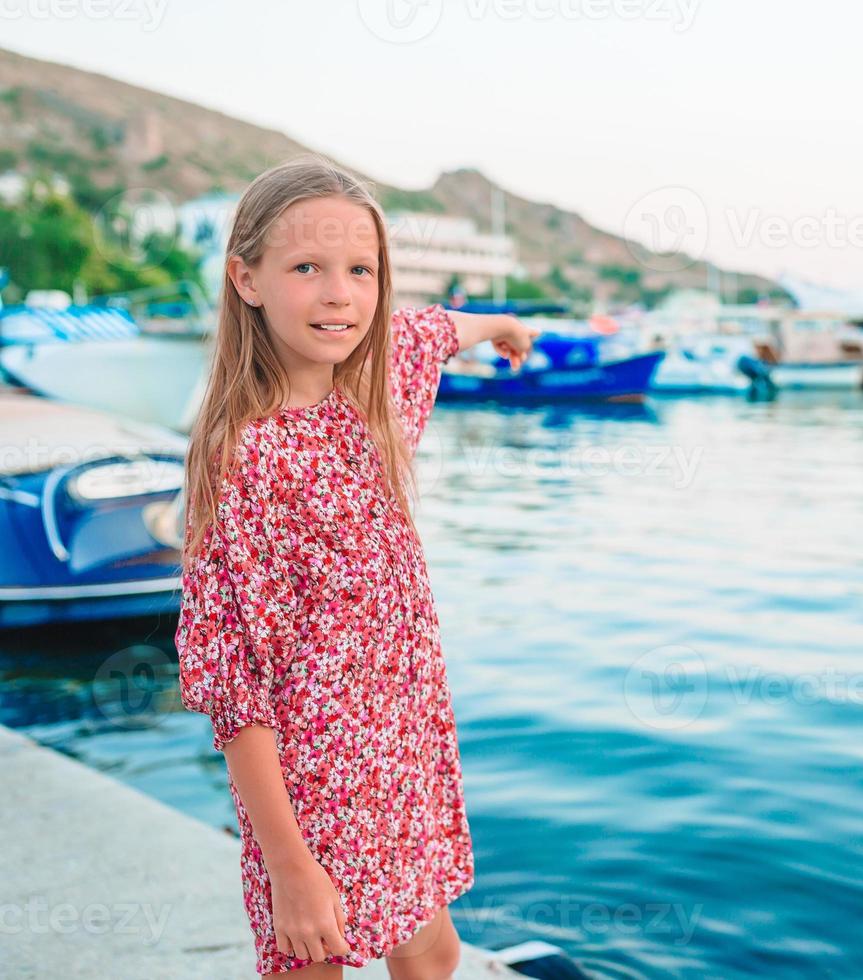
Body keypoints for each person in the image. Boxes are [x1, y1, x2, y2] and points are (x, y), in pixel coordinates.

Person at [175, 155, 538, 979]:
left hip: (402, 755)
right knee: (315, 962)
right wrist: (290, 868)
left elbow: (435, 329)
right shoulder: (243, 462)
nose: (339, 293)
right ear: (248, 279)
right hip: (307, 790)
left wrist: (508, 328)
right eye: (307, 268)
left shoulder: (377, 392)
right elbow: (235, 689)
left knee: (433, 950)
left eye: (360, 271)